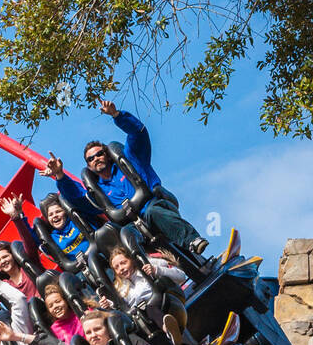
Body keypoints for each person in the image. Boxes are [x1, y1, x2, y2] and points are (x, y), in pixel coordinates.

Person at [44, 99, 209, 255]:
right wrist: (59, 174)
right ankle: (148, 278)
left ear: (107, 155)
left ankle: (192, 241)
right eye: (91, 159)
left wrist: (117, 115)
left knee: (153, 212)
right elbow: (77, 197)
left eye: (99, 154)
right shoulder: (98, 191)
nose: (96, 159)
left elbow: (138, 134)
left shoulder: (131, 161)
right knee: (123, 235)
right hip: (133, 225)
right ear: (89, 166)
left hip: (155, 206)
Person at [108, 248, 186, 345]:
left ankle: (169, 330)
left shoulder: (146, 263)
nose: (121, 268)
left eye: (123, 263)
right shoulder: (118, 287)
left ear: (131, 260)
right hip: (142, 318)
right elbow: (122, 309)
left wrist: (156, 270)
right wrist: (110, 305)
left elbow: (182, 276)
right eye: (117, 267)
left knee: (150, 308)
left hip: (164, 302)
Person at [1, 192, 89, 266]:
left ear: (65, 211)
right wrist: (19, 214)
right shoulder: (51, 238)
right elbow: (29, 238)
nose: (55, 216)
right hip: (79, 269)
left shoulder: (77, 219)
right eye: (50, 215)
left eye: (58, 211)